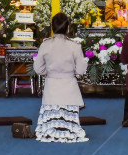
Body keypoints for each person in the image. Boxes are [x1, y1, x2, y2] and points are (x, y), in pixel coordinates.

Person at [33, 13, 89, 142]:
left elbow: (38, 69)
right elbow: (81, 70)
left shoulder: (45, 45)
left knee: (49, 121)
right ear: (68, 28)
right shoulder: (75, 46)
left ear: (52, 28)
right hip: (70, 88)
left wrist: (49, 71)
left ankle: (49, 131)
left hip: (51, 88)